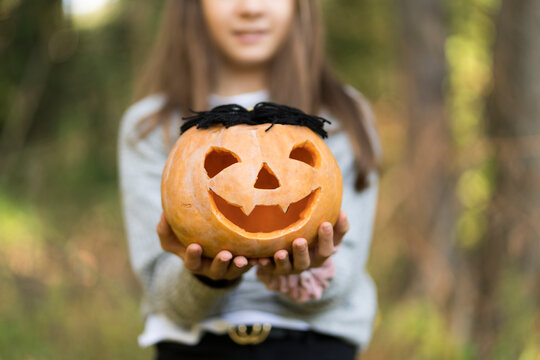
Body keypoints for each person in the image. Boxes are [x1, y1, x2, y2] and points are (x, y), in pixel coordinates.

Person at [118, 1, 381, 359]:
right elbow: (161, 293)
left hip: (315, 346)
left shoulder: (344, 116)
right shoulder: (150, 127)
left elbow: (345, 277)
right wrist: (206, 278)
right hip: (195, 347)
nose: (251, 8)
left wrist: (310, 271)